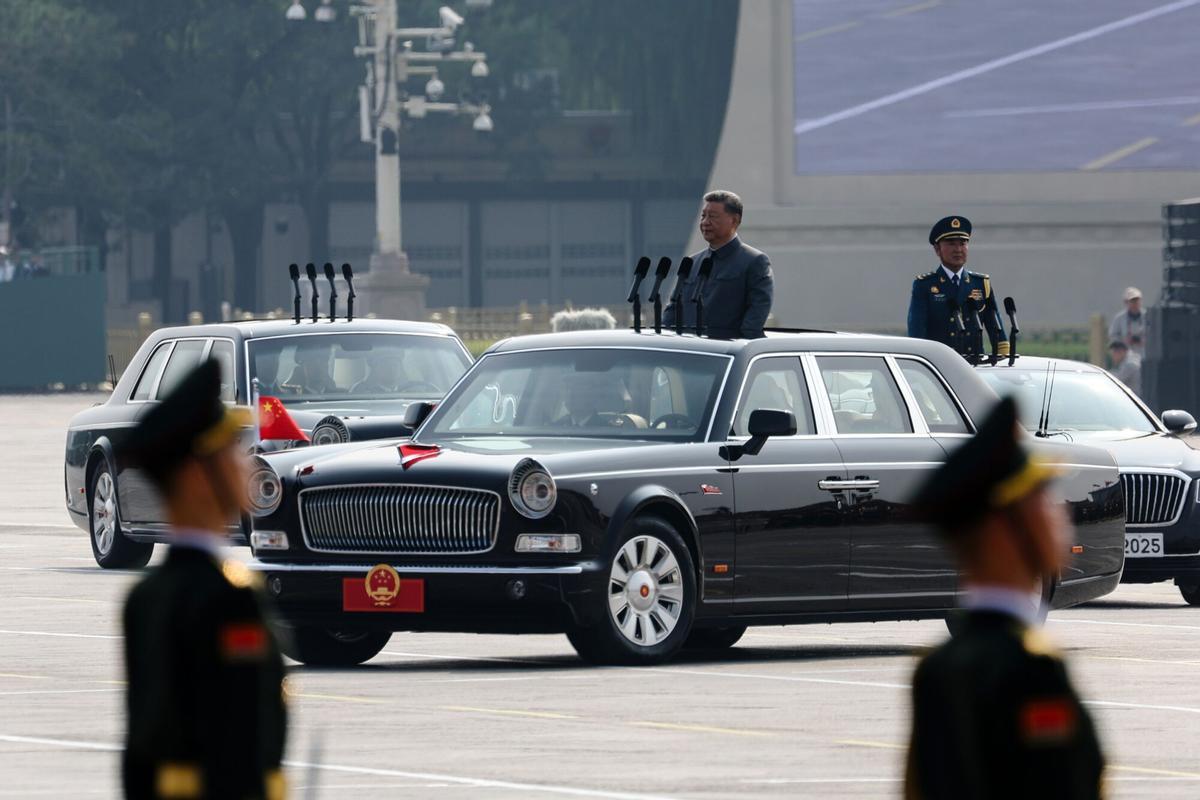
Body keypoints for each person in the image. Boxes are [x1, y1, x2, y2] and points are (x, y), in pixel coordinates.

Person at [904, 397, 1105, 800]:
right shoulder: (1032, 667)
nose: (1058, 516)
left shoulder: (937, 667)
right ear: (1001, 531)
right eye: (1041, 502)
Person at [116, 360, 287, 800]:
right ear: (197, 477)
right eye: (232, 452)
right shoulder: (228, 599)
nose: (245, 465)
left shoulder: (146, 596)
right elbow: (238, 743)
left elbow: (138, 758)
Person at [662, 190, 773, 339]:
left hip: (727, 355)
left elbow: (756, 315)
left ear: (734, 220)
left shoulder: (754, 261)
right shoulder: (691, 263)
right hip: (688, 352)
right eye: (703, 216)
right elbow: (672, 310)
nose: (705, 222)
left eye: (712, 217)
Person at [907, 216, 1009, 358]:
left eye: (963, 243)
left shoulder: (980, 283)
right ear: (937, 249)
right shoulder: (925, 285)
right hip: (939, 365)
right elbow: (917, 333)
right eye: (951, 244)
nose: (958, 249)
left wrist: (1004, 360)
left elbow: (996, 331)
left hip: (974, 364)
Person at [1109, 287, 1146, 357]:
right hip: (1126, 356)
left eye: (1137, 300)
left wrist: (1143, 341)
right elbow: (1113, 335)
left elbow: (1154, 335)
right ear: (1126, 302)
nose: (1135, 303)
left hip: (1145, 355)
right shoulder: (1119, 318)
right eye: (1132, 301)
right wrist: (1123, 341)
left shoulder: (1148, 317)